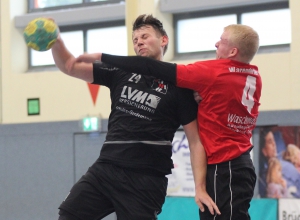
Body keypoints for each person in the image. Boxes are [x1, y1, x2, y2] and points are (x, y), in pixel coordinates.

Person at [51, 14, 220, 220]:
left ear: (163, 40)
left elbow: (195, 142)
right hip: (106, 168)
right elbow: (69, 66)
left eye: (144, 36)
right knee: (68, 216)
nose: (138, 41)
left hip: (146, 178)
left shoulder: (181, 87)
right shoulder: (120, 71)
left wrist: (200, 188)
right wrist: (56, 40)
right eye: (135, 39)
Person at [86, 24, 262, 220]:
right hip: (239, 165)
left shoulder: (214, 72)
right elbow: (220, 97)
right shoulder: (253, 75)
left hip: (225, 166)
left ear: (232, 51)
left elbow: (151, 67)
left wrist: (101, 56)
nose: (216, 44)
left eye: (221, 41)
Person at [259, 128, 278, 197]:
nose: (274, 144)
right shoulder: (262, 176)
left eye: (274, 140)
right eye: (270, 142)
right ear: (264, 151)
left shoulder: (281, 166)